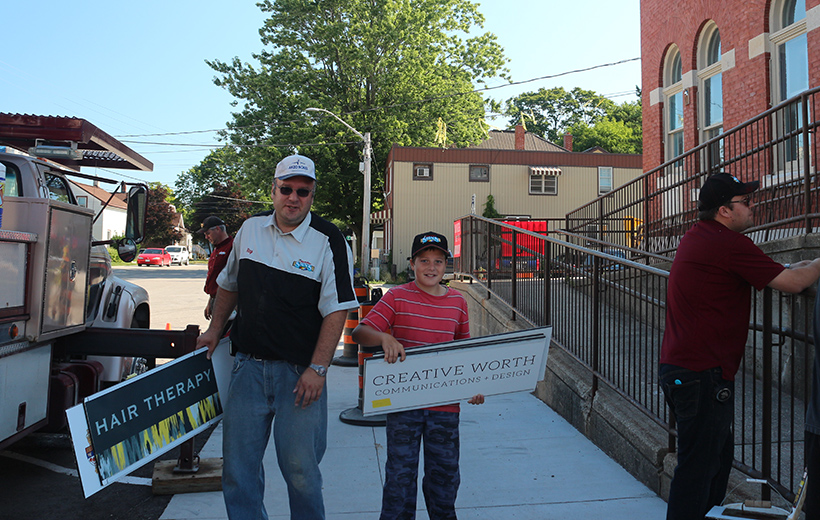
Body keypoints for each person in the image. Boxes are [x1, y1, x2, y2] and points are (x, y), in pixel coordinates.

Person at [196, 154, 359, 520]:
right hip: (248, 371)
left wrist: (318, 369)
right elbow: (229, 285)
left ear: (312, 195)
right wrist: (214, 330)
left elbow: (337, 310)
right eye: (286, 189)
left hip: (299, 377)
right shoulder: (250, 230)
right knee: (238, 474)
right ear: (272, 190)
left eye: (304, 191)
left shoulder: (329, 240)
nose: (294, 197)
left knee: (301, 474)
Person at [659, 173, 820, 520]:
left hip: (684, 370)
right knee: (698, 470)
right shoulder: (728, 245)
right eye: (745, 202)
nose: (752, 207)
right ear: (724, 211)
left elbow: (784, 270)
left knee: (714, 461)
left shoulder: (701, 237)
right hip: (701, 375)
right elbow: (794, 282)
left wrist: (808, 265)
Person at [352, 231, 484, 520]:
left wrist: (474, 386)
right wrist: (384, 338)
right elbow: (360, 332)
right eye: (424, 260)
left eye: (438, 261)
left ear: (446, 264)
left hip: (445, 409)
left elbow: (465, 352)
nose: (431, 267)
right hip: (404, 408)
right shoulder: (396, 297)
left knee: (444, 481)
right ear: (412, 263)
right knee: (400, 480)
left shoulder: (457, 303)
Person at [198, 215, 233, 321]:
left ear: (218, 229)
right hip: (216, 299)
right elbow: (215, 278)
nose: (206, 237)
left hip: (227, 301)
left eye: (208, 233)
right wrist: (210, 302)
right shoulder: (216, 250)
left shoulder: (233, 247)